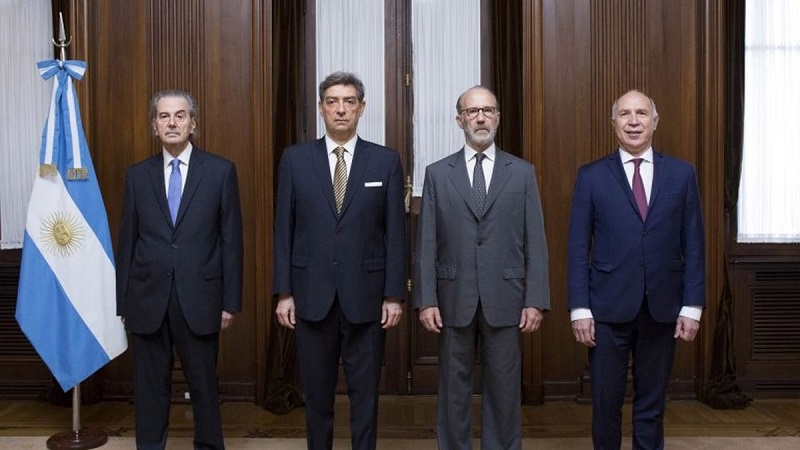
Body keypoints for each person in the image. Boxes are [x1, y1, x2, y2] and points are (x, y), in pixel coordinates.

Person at [272, 71, 406, 450]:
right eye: (332, 102)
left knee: (365, 397)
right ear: (321, 109)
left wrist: (394, 295)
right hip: (311, 296)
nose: (341, 109)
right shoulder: (295, 159)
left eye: (349, 102)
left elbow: (396, 234)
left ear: (362, 108)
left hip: (367, 298)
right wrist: (284, 292)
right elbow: (283, 230)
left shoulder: (385, 161)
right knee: (317, 398)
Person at [413, 86, 550, 450]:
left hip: (507, 297)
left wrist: (535, 299)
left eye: (488, 110)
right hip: (452, 297)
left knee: (504, 392)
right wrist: (426, 300)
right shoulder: (437, 174)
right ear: (459, 120)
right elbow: (426, 242)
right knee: (452, 392)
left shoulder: (522, 173)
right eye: (472, 112)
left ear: (498, 118)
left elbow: (536, 241)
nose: (480, 118)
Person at [567, 89, 705, 450]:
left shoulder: (682, 174)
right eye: (625, 114)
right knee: (605, 404)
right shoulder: (591, 176)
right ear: (614, 123)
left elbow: (694, 243)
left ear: (655, 122)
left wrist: (692, 306)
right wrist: (579, 309)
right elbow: (578, 248)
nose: (633, 121)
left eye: (641, 113)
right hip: (606, 310)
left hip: (662, 308)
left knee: (651, 406)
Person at [116, 90, 243, 450]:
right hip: (146, 299)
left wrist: (230, 302)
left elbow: (231, 241)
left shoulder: (220, 171)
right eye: (164, 116)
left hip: (200, 298)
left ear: (193, 124)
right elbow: (127, 242)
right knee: (149, 389)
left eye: (180, 115)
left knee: (204, 387)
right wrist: (123, 302)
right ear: (154, 126)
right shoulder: (137, 176)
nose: (172, 122)